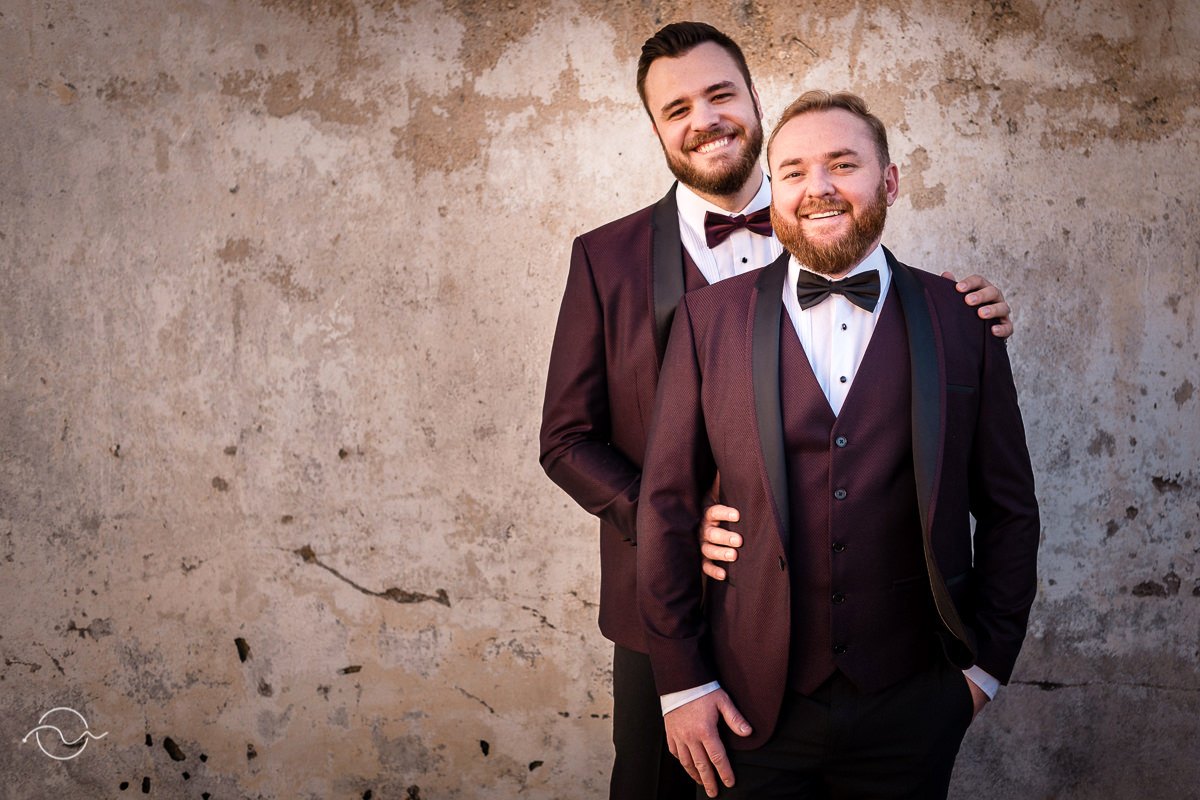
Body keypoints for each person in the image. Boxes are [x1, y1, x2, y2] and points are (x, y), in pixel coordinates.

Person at [539, 22, 1016, 800]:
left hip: (880, 664)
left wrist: (972, 317)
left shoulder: (835, 218)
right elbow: (566, 438)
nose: (704, 119)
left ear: (756, 101)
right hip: (668, 614)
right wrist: (675, 525)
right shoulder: (607, 258)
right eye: (676, 108)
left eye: (720, 94)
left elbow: (982, 477)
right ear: (655, 127)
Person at [635, 89, 1041, 799]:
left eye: (843, 164)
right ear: (775, 192)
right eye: (793, 171)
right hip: (746, 708)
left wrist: (983, 672)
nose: (816, 187)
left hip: (913, 704)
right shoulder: (706, 321)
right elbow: (665, 506)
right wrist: (682, 684)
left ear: (889, 182)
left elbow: (1010, 511)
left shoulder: (962, 320)